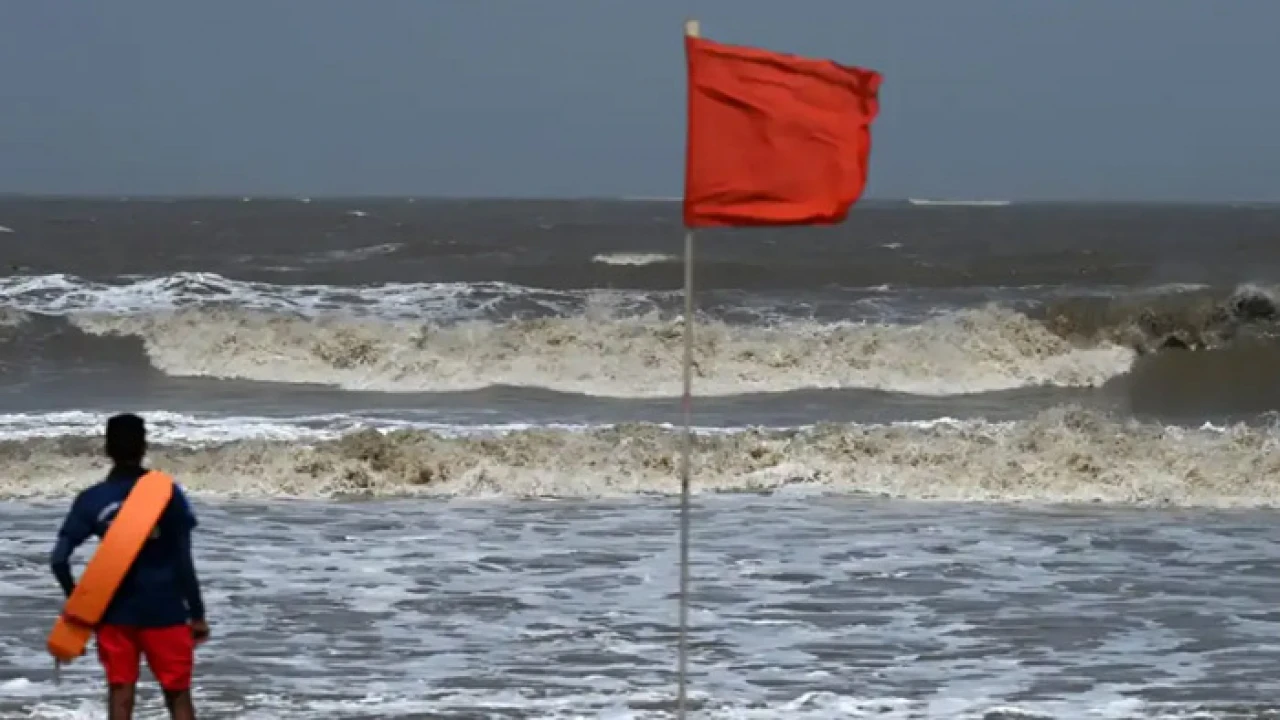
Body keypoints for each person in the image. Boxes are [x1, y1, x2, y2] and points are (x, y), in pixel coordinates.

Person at [50, 413, 209, 720]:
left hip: (114, 614)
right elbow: (182, 559)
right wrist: (197, 613)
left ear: (107, 449)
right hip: (166, 611)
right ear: (144, 447)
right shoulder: (166, 494)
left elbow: (58, 559)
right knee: (177, 696)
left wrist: (80, 604)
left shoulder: (92, 499)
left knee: (121, 693)